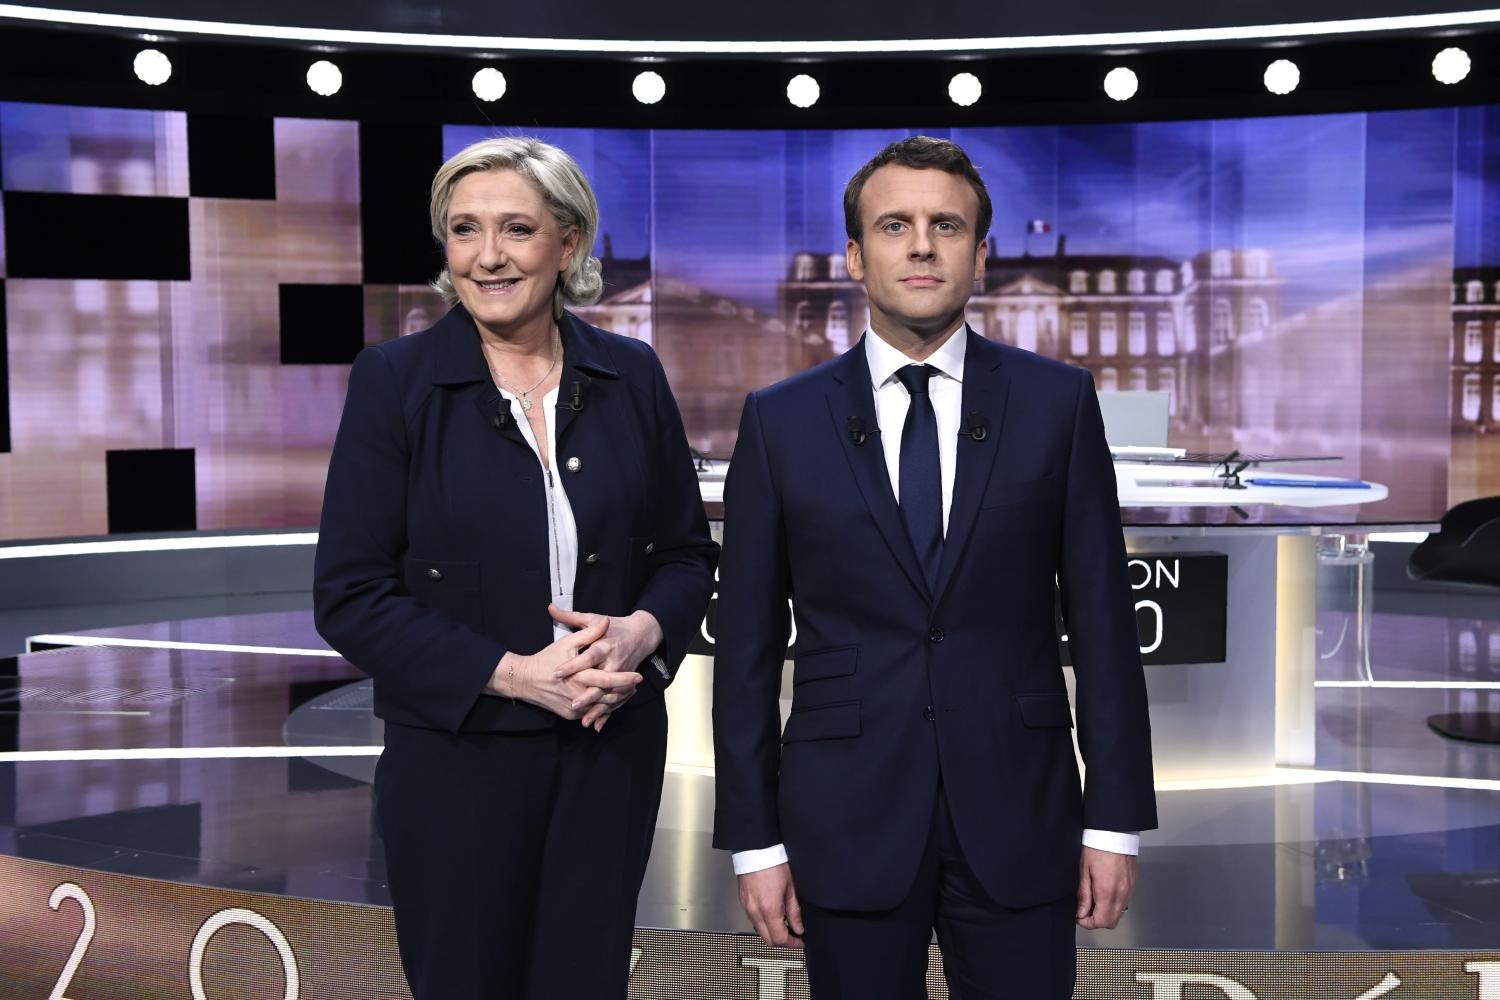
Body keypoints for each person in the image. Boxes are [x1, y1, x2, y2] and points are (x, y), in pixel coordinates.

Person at [712, 136, 1157, 998]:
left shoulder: (1057, 403)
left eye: (946, 224)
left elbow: (1104, 625)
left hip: (1022, 814)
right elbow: (747, 649)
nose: (921, 244)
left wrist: (1114, 822)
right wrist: (755, 839)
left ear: (981, 254)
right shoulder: (780, 420)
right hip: (844, 818)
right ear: (855, 255)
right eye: (895, 225)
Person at [314, 136, 717, 999]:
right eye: (464, 231)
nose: (488, 256)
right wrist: (511, 676)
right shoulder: (395, 381)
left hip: (608, 757)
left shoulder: (632, 374)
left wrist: (640, 635)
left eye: (515, 229)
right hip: (458, 764)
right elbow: (350, 595)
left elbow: (686, 555)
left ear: (567, 245)